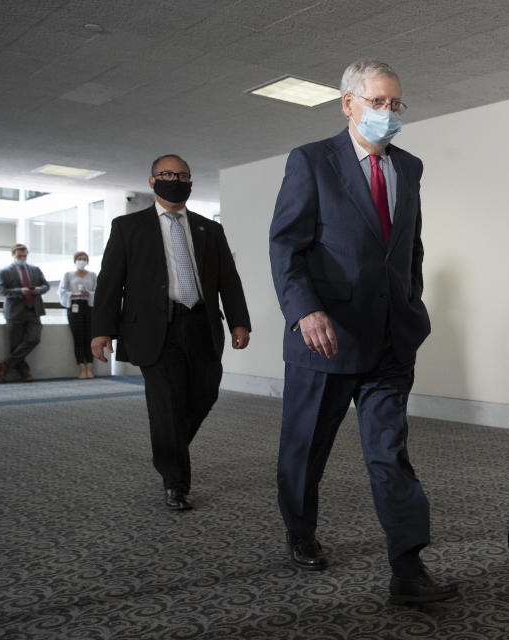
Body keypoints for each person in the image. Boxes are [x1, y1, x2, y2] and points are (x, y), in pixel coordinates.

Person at [269, 59, 456, 605]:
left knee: (390, 453)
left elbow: (410, 249)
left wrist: (412, 305)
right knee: (306, 450)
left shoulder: (410, 167)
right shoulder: (311, 161)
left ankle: (407, 567)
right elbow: (287, 245)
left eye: (395, 104)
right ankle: (300, 533)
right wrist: (305, 311)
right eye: (376, 103)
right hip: (324, 337)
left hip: (391, 340)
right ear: (348, 104)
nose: (388, 113)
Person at [91, 154, 252, 511]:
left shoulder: (209, 229)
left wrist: (239, 320)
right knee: (165, 404)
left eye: (183, 175)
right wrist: (102, 330)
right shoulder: (127, 228)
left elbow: (229, 278)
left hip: (201, 324)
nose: (175, 180)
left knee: (205, 393)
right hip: (155, 329)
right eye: (167, 174)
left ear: (191, 182)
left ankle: (171, 448)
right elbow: (109, 283)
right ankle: (175, 482)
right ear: (152, 182)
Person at [0, 244, 50, 382]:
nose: (22, 258)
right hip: (14, 312)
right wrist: (19, 291)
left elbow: (46, 286)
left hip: (33, 310)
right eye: (19, 256)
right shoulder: (5, 271)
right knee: (16, 344)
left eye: (24, 256)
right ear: (13, 255)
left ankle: (6, 364)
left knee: (34, 338)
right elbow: (0, 290)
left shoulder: (35, 270)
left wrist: (38, 289)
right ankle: (24, 374)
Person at [59, 251, 97, 379]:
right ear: (75, 260)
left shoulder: (92, 275)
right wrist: (73, 294)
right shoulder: (68, 275)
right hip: (74, 306)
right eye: (79, 258)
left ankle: (90, 367)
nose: (82, 261)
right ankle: (82, 368)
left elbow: (97, 291)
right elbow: (62, 291)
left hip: (88, 306)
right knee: (78, 338)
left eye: (84, 258)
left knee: (90, 337)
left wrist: (89, 294)